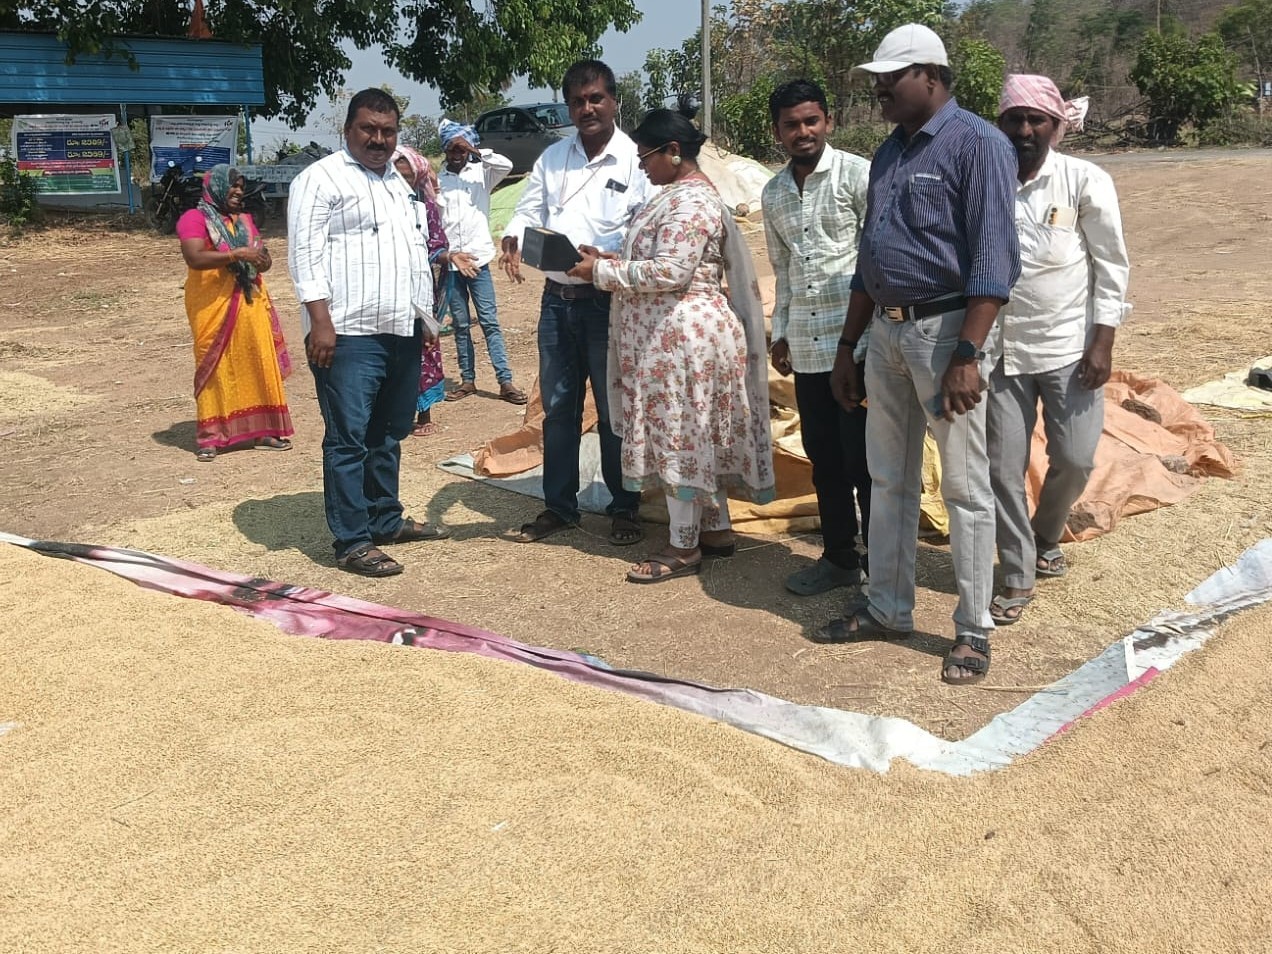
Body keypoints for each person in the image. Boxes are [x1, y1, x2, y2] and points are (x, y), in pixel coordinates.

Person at [823, 24, 1021, 686]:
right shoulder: (888, 153)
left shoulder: (980, 146)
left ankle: (972, 630)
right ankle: (888, 606)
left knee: (964, 486)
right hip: (886, 332)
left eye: (891, 77)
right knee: (889, 479)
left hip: (946, 336)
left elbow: (994, 264)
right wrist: (850, 344)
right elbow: (868, 258)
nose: (879, 88)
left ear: (932, 76)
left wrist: (968, 352)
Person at [568, 108, 775, 583]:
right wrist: (609, 259)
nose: (641, 166)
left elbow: (670, 272)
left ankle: (684, 547)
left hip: (682, 337)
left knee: (681, 433)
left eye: (646, 156)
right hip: (678, 335)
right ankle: (716, 529)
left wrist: (600, 273)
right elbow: (661, 259)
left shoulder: (691, 202)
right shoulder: (678, 197)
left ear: (673, 152)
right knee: (695, 431)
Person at [288, 87, 451, 578]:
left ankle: (386, 520)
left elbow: (415, 255)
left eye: (388, 131)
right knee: (348, 439)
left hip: (401, 331)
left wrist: (425, 323)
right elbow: (305, 256)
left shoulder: (400, 184)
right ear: (348, 130)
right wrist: (320, 322)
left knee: (388, 434)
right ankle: (352, 541)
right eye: (369, 130)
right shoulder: (321, 180)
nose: (378, 140)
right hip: (347, 335)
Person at [987, 74, 1129, 626]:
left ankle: (1046, 532)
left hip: (1070, 347)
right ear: (1001, 125)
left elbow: (1112, 265)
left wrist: (1103, 342)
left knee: (1075, 457)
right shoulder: (987, 179)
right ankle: (1017, 572)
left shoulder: (1082, 179)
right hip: (999, 350)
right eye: (1014, 120)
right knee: (1003, 468)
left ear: (1056, 125)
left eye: (1036, 120)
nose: (1025, 130)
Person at [499, 59, 657, 546]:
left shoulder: (636, 160)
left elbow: (647, 228)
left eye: (596, 99)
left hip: (608, 300)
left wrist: (609, 255)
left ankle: (624, 506)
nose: (587, 108)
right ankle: (560, 508)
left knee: (613, 411)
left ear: (614, 102)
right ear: (568, 107)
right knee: (560, 407)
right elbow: (527, 210)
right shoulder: (552, 159)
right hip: (556, 302)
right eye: (577, 101)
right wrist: (511, 235)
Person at [761, 79, 872, 598]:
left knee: (866, 460)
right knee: (823, 458)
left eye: (811, 121)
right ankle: (840, 557)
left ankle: (882, 560)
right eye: (791, 124)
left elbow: (876, 262)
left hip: (860, 346)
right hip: (807, 347)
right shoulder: (774, 192)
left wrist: (868, 340)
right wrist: (780, 333)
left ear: (828, 121)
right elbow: (783, 269)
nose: (803, 132)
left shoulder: (858, 175)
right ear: (778, 132)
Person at [177, 164, 294, 462]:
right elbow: (195, 257)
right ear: (216, 186)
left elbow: (262, 255)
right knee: (215, 366)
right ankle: (211, 436)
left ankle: (264, 430)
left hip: (250, 300)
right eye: (233, 186)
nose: (239, 192)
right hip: (212, 306)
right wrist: (237, 254)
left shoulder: (244, 220)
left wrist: (261, 260)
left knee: (256, 360)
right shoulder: (194, 218)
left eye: (241, 187)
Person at [435, 118, 527, 406]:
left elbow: (506, 165)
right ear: (446, 149)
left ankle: (505, 381)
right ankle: (468, 380)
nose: (458, 153)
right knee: (461, 324)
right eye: (453, 148)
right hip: (451, 264)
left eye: (462, 148)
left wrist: (476, 150)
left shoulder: (482, 173)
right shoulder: (438, 180)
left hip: (479, 259)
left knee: (489, 321)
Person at [392, 144, 454, 438]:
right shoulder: (382, 206)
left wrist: (447, 257)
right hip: (388, 289)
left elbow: (436, 245)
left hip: (419, 288)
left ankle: (424, 413)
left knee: (424, 346)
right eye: (398, 176)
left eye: (409, 177)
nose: (404, 182)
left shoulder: (426, 208)